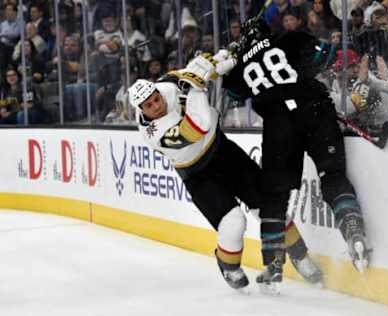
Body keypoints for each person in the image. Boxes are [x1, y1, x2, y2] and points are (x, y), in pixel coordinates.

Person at [127, 54, 322, 292]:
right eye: (149, 106)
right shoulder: (155, 133)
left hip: (223, 151)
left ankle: (300, 256)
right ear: (141, 109)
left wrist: (219, 62)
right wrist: (198, 87)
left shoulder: (166, 85)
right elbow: (199, 126)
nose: (157, 106)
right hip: (197, 174)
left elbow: (197, 70)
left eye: (156, 99)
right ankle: (228, 265)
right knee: (233, 222)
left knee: (269, 205)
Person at [221, 17, 372, 285]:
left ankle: (273, 264)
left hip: (279, 127)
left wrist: (236, 56)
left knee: (274, 197)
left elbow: (232, 90)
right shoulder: (289, 38)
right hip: (314, 109)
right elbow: (333, 58)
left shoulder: (241, 65)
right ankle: (352, 229)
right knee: (332, 175)